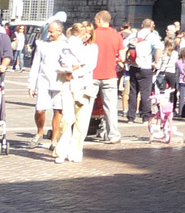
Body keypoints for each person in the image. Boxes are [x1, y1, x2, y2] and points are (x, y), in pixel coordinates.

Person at [55, 22, 99, 164]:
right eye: (84, 32)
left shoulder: (93, 48)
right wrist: (68, 70)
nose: (86, 35)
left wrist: (75, 72)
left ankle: (76, 150)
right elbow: (59, 63)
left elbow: (90, 65)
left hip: (84, 85)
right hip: (68, 85)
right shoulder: (67, 45)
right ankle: (61, 151)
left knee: (82, 121)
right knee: (67, 119)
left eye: (89, 33)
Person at [27, 20, 66, 146]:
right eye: (48, 31)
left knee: (58, 110)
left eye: (51, 31)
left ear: (59, 31)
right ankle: (40, 131)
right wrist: (31, 84)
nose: (49, 34)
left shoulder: (67, 44)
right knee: (40, 110)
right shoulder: (42, 44)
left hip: (60, 81)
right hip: (43, 80)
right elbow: (35, 64)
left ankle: (54, 140)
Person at [90, 11, 124, 142]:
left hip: (93, 75)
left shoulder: (92, 34)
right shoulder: (117, 35)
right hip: (110, 75)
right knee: (110, 107)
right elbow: (121, 56)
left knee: (86, 106)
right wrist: (112, 59)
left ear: (99, 20)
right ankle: (114, 136)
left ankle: (79, 135)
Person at [126, 19, 159, 124]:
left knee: (132, 92)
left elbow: (123, 44)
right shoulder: (152, 36)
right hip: (146, 66)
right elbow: (159, 48)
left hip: (134, 65)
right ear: (152, 26)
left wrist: (126, 60)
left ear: (141, 25)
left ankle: (131, 117)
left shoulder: (134, 34)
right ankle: (145, 117)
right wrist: (156, 62)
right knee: (145, 93)